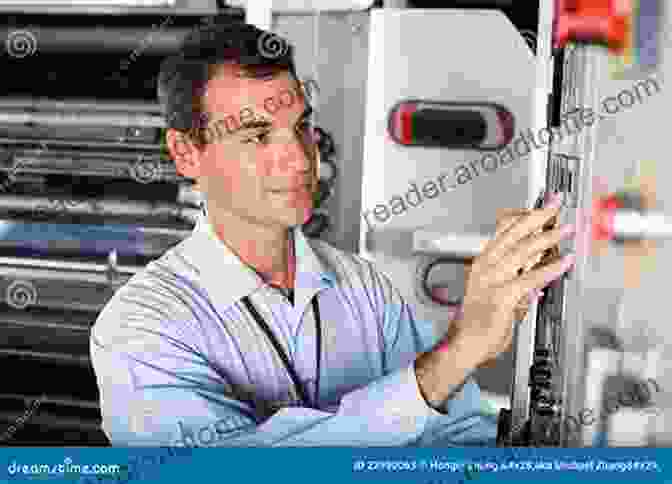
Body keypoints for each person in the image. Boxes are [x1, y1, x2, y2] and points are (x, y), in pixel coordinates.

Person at [90, 22, 576, 447]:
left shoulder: (363, 288)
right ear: (186, 154)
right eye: (257, 137)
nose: (302, 161)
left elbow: (460, 436)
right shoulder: (139, 328)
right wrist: (461, 347)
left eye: (301, 128)